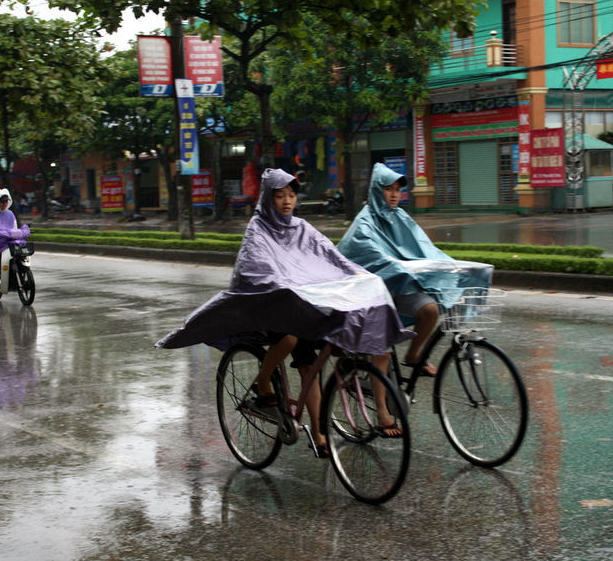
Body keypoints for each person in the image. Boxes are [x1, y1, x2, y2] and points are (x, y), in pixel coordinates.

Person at [157, 168, 413, 456]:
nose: (287, 201)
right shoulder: (257, 229)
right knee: (289, 338)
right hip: (271, 307)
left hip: (303, 307)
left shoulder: (302, 228)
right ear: (268, 199)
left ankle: (318, 433)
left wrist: (359, 276)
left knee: (310, 368)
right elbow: (256, 269)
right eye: (280, 196)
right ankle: (263, 381)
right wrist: (286, 287)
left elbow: (332, 257)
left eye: (291, 195)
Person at [337, 162, 492, 381]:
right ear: (376, 190)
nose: (394, 194)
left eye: (397, 190)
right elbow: (370, 255)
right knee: (382, 347)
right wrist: (401, 268)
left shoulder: (401, 217)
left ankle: (413, 355)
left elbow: (425, 249)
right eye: (388, 188)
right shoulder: (364, 222)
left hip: (403, 284)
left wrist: (451, 267)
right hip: (378, 293)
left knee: (430, 310)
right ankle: (382, 408)